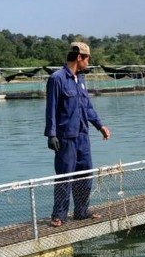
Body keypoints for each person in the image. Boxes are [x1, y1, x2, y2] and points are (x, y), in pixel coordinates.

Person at [44, 41, 111, 227]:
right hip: (66, 137)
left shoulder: (80, 79)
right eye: (88, 58)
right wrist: (51, 134)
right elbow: (51, 109)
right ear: (79, 57)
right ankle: (59, 215)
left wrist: (99, 125)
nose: (89, 62)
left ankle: (81, 211)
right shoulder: (57, 79)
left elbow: (87, 106)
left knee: (85, 173)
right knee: (65, 175)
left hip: (83, 135)